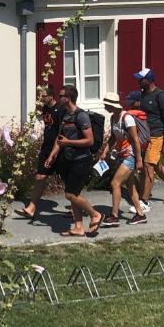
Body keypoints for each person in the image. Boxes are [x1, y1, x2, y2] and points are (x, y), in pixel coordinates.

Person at [43, 84, 103, 237]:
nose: (59, 97)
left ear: (68, 98)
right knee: (73, 194)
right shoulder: (65, 115)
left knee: (70, 195)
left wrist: (69, 143)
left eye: (61, 95)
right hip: (68, 159)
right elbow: (60, 138)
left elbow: (89, 141)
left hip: (81, 159)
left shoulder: (81, 115)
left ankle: (95, 214)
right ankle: (78, 227)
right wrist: (52, 155)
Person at [132, 68, 164, 212]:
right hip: (146, 136)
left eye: (140, 79)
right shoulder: (143, 95)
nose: (138, 81)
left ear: (148, 80)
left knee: (148, 165)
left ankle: (144, 202)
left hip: (157, 136)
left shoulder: (160, 96)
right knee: (155, 165)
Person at [97, 92, 148, 227]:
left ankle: (114, 216)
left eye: (106, 104)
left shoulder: (127, 118)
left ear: (112, 105)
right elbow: (113, 138)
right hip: (122, 154)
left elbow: (136, 140)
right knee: (130, 186)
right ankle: (140, 214)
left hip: (130, 155)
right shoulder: (114, 118)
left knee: (115, 183)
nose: (105, 107)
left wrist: (139, 159)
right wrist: (105, 152)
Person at [15, 86, 62, 220]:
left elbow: (60, 132)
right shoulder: (45, 109)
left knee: (68, 181)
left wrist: (55, 151)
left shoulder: (60, 110)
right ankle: (31, 208)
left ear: (51, 96)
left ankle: (77, 208)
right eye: (40, 96)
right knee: (40, 177)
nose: (41, 99)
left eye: (43, 96)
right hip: (45, 148)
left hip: (58, 149)